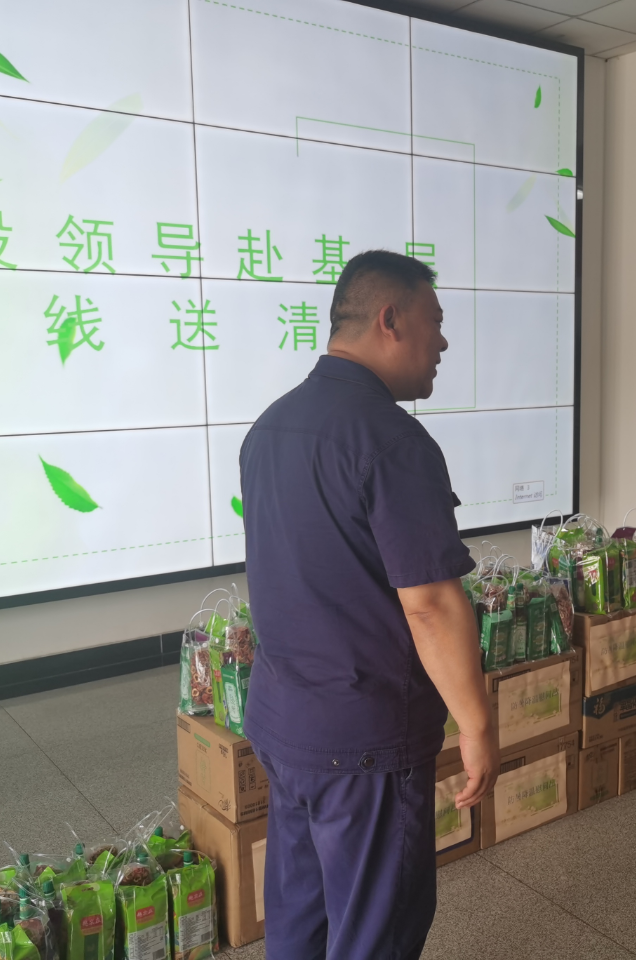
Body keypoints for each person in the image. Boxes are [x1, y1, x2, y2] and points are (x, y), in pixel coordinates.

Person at [239, 250, 500, 959]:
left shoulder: (270, 426)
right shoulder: (391, 440)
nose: (443, 341)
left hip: (285, 723)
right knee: (374, 932)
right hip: (364, 740)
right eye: (434, 321)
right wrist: (477, 724)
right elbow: (430, 604)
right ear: (391, 319)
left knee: (301, 918)